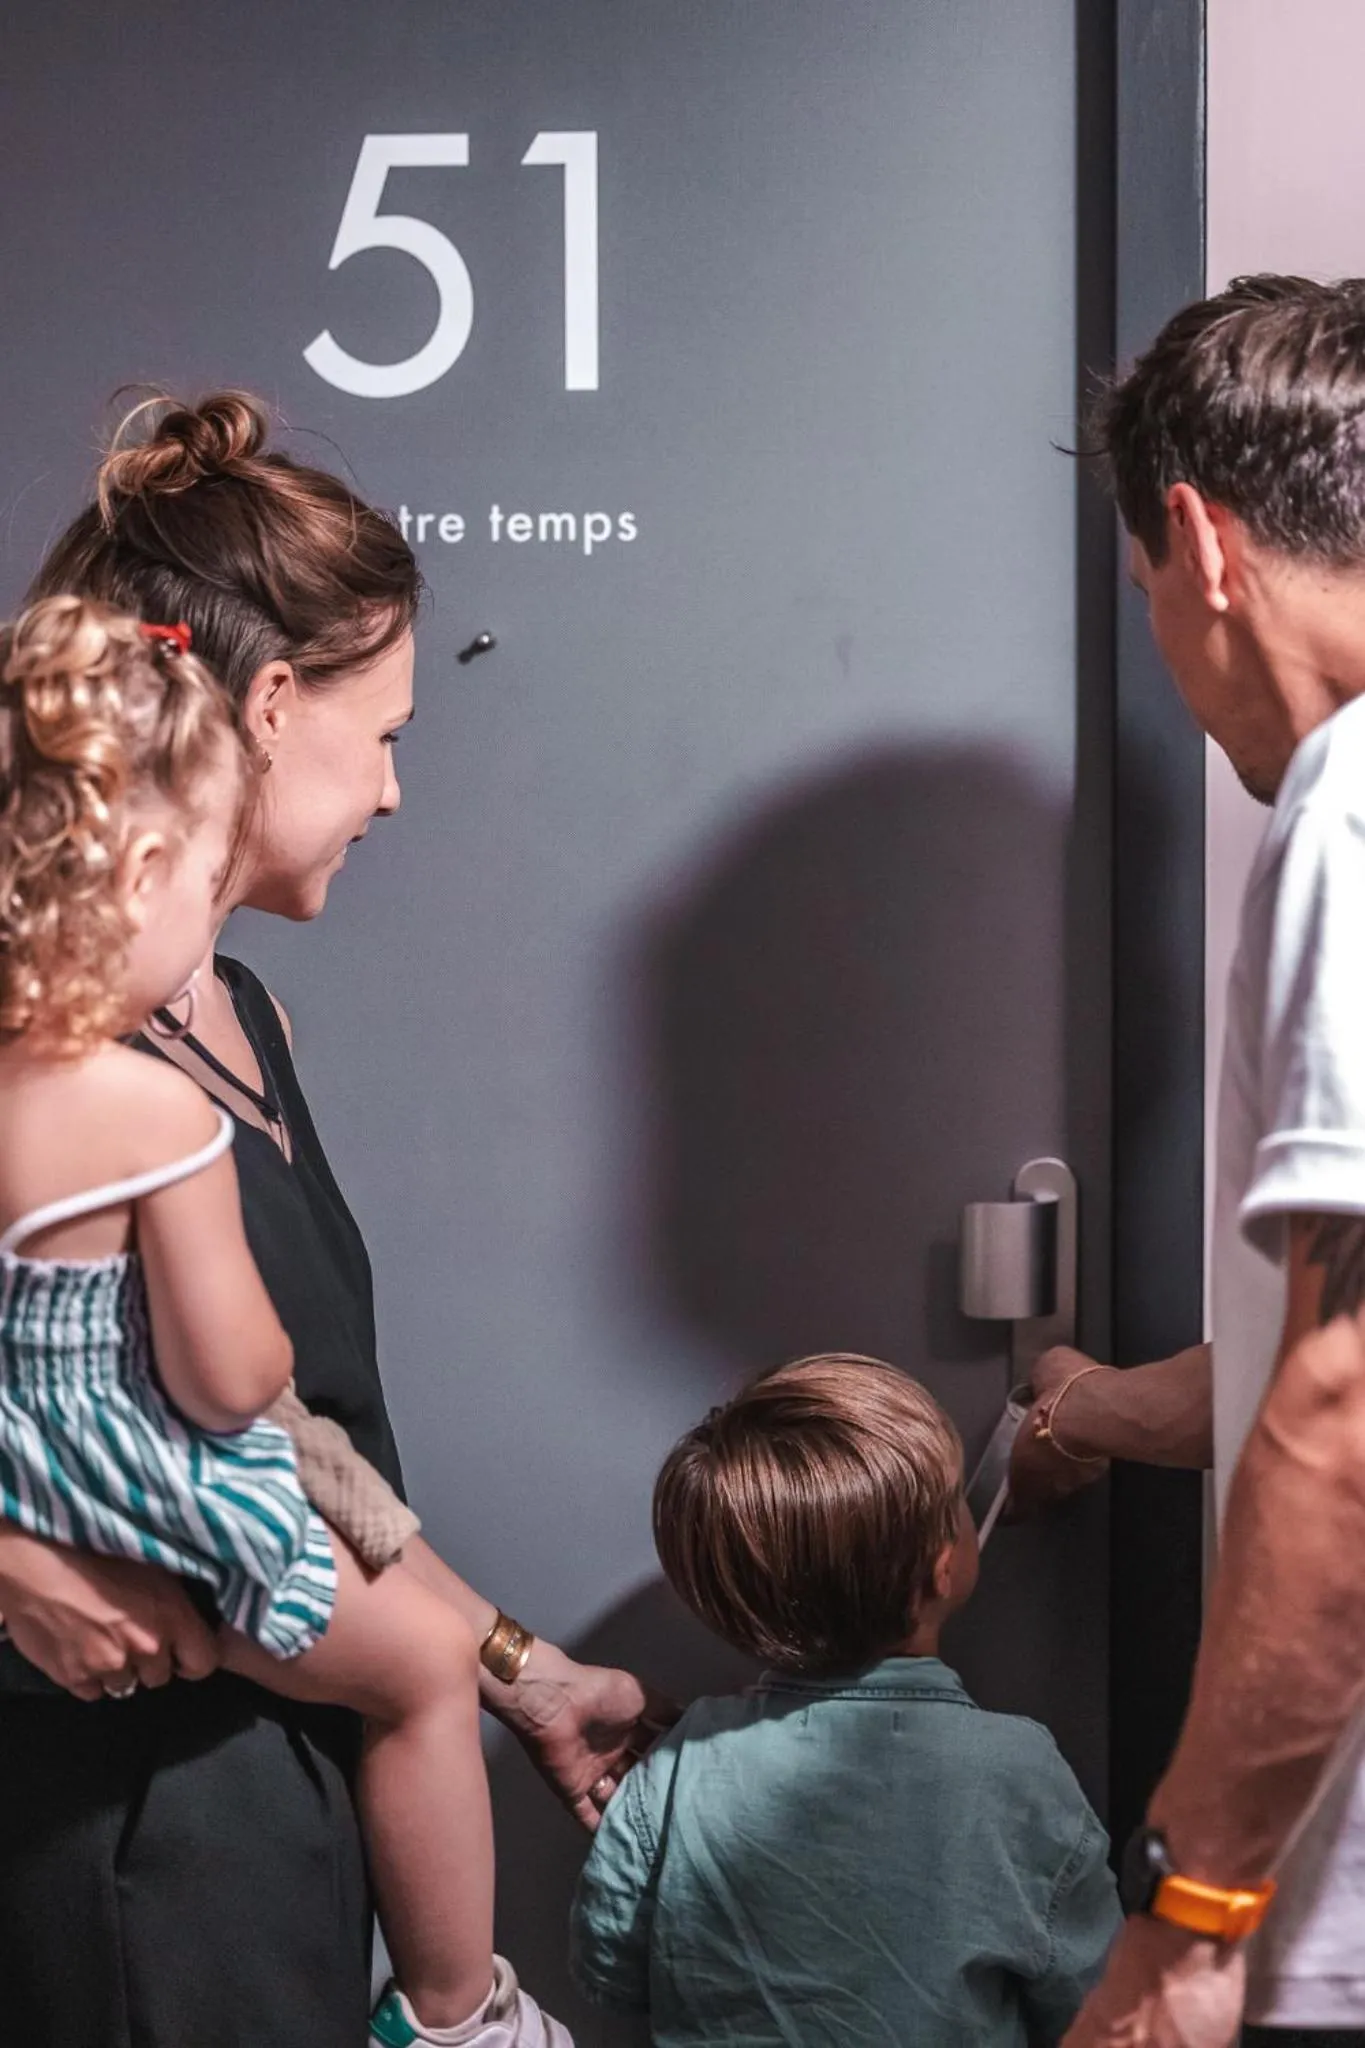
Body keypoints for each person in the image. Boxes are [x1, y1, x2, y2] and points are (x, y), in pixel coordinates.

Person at [0, 393, 665, 2048]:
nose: (390, 793)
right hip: (115, 1837)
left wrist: (514, 1668)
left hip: (294, 1813)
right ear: (274, 703)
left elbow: (298, 1437)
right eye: (383, 736)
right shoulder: (48, 1041)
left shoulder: (242, 1014)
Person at [1004, 276, 1365, 2048]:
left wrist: (1199, 1912)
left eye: (1144, 586)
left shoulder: (1351, 821)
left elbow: (1352, 1396)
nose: (1159, 630)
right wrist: (1094, 1407)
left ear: (1206, 548)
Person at [571, 1353, 1121, 2046]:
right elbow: (1096, 1995)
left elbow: (610, 1971)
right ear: (945, 1565)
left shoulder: (680, 1762)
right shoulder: (1017, 1771)